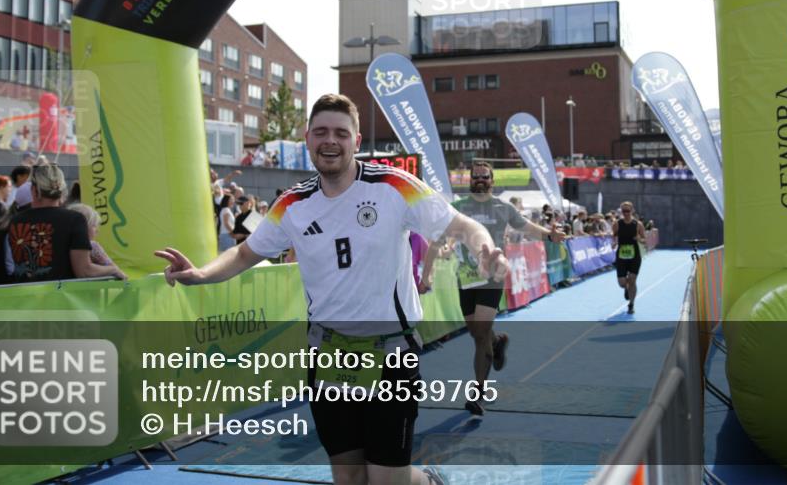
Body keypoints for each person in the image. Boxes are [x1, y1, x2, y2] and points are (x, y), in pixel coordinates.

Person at [156, 94, 506, 485]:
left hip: (391, 353)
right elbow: (242, 254)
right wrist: (201, 274)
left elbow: (461, 226)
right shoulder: (292, 203)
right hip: (328, 353)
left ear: (356, 141)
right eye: (321, 131)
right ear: (307, 138)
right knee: (349, 477)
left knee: (388, 480)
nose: (330, 141)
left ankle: (429, 481)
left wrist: (484, 249)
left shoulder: (393, 185)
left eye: (341, 133)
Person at [421, 160, 565, 416]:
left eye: (484, 176)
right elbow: (437, 242)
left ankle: (478, 392)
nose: (479, 180)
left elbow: (528, 228)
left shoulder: (503, 208)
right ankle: (497, 342)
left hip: (492, 277)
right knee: (477, 333)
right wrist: (429, 273)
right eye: (475, 176)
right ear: (469, 181)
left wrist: (550, 235)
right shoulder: (457, 208)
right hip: (464, 279)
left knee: (480, 335)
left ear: (492, 181)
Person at [5, 163, 127, 282]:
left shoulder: (16, 221)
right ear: (62, 190)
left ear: (34, 190)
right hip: (61, 299)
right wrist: (113, 270)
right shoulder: (74, 219)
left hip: (26, 298)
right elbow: (84, 271)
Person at [614, 201, 645, 314]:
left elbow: (644, 239)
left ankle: (631, 304)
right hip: (621, 255)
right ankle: (626, 289)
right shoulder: (617, 223)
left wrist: (639, 239)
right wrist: (613, 242)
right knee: (622, 283)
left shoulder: (638, 224)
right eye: (623, 211)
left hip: (634, 256)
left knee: (632, 280)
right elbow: (614, 236)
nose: (626, 213)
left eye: (628, 211)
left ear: (632, 211)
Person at [67, 203, 118, 268]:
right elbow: (113, 267)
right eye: (94, 225)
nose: (97, 230)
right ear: (84, 226)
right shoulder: (93, 246)